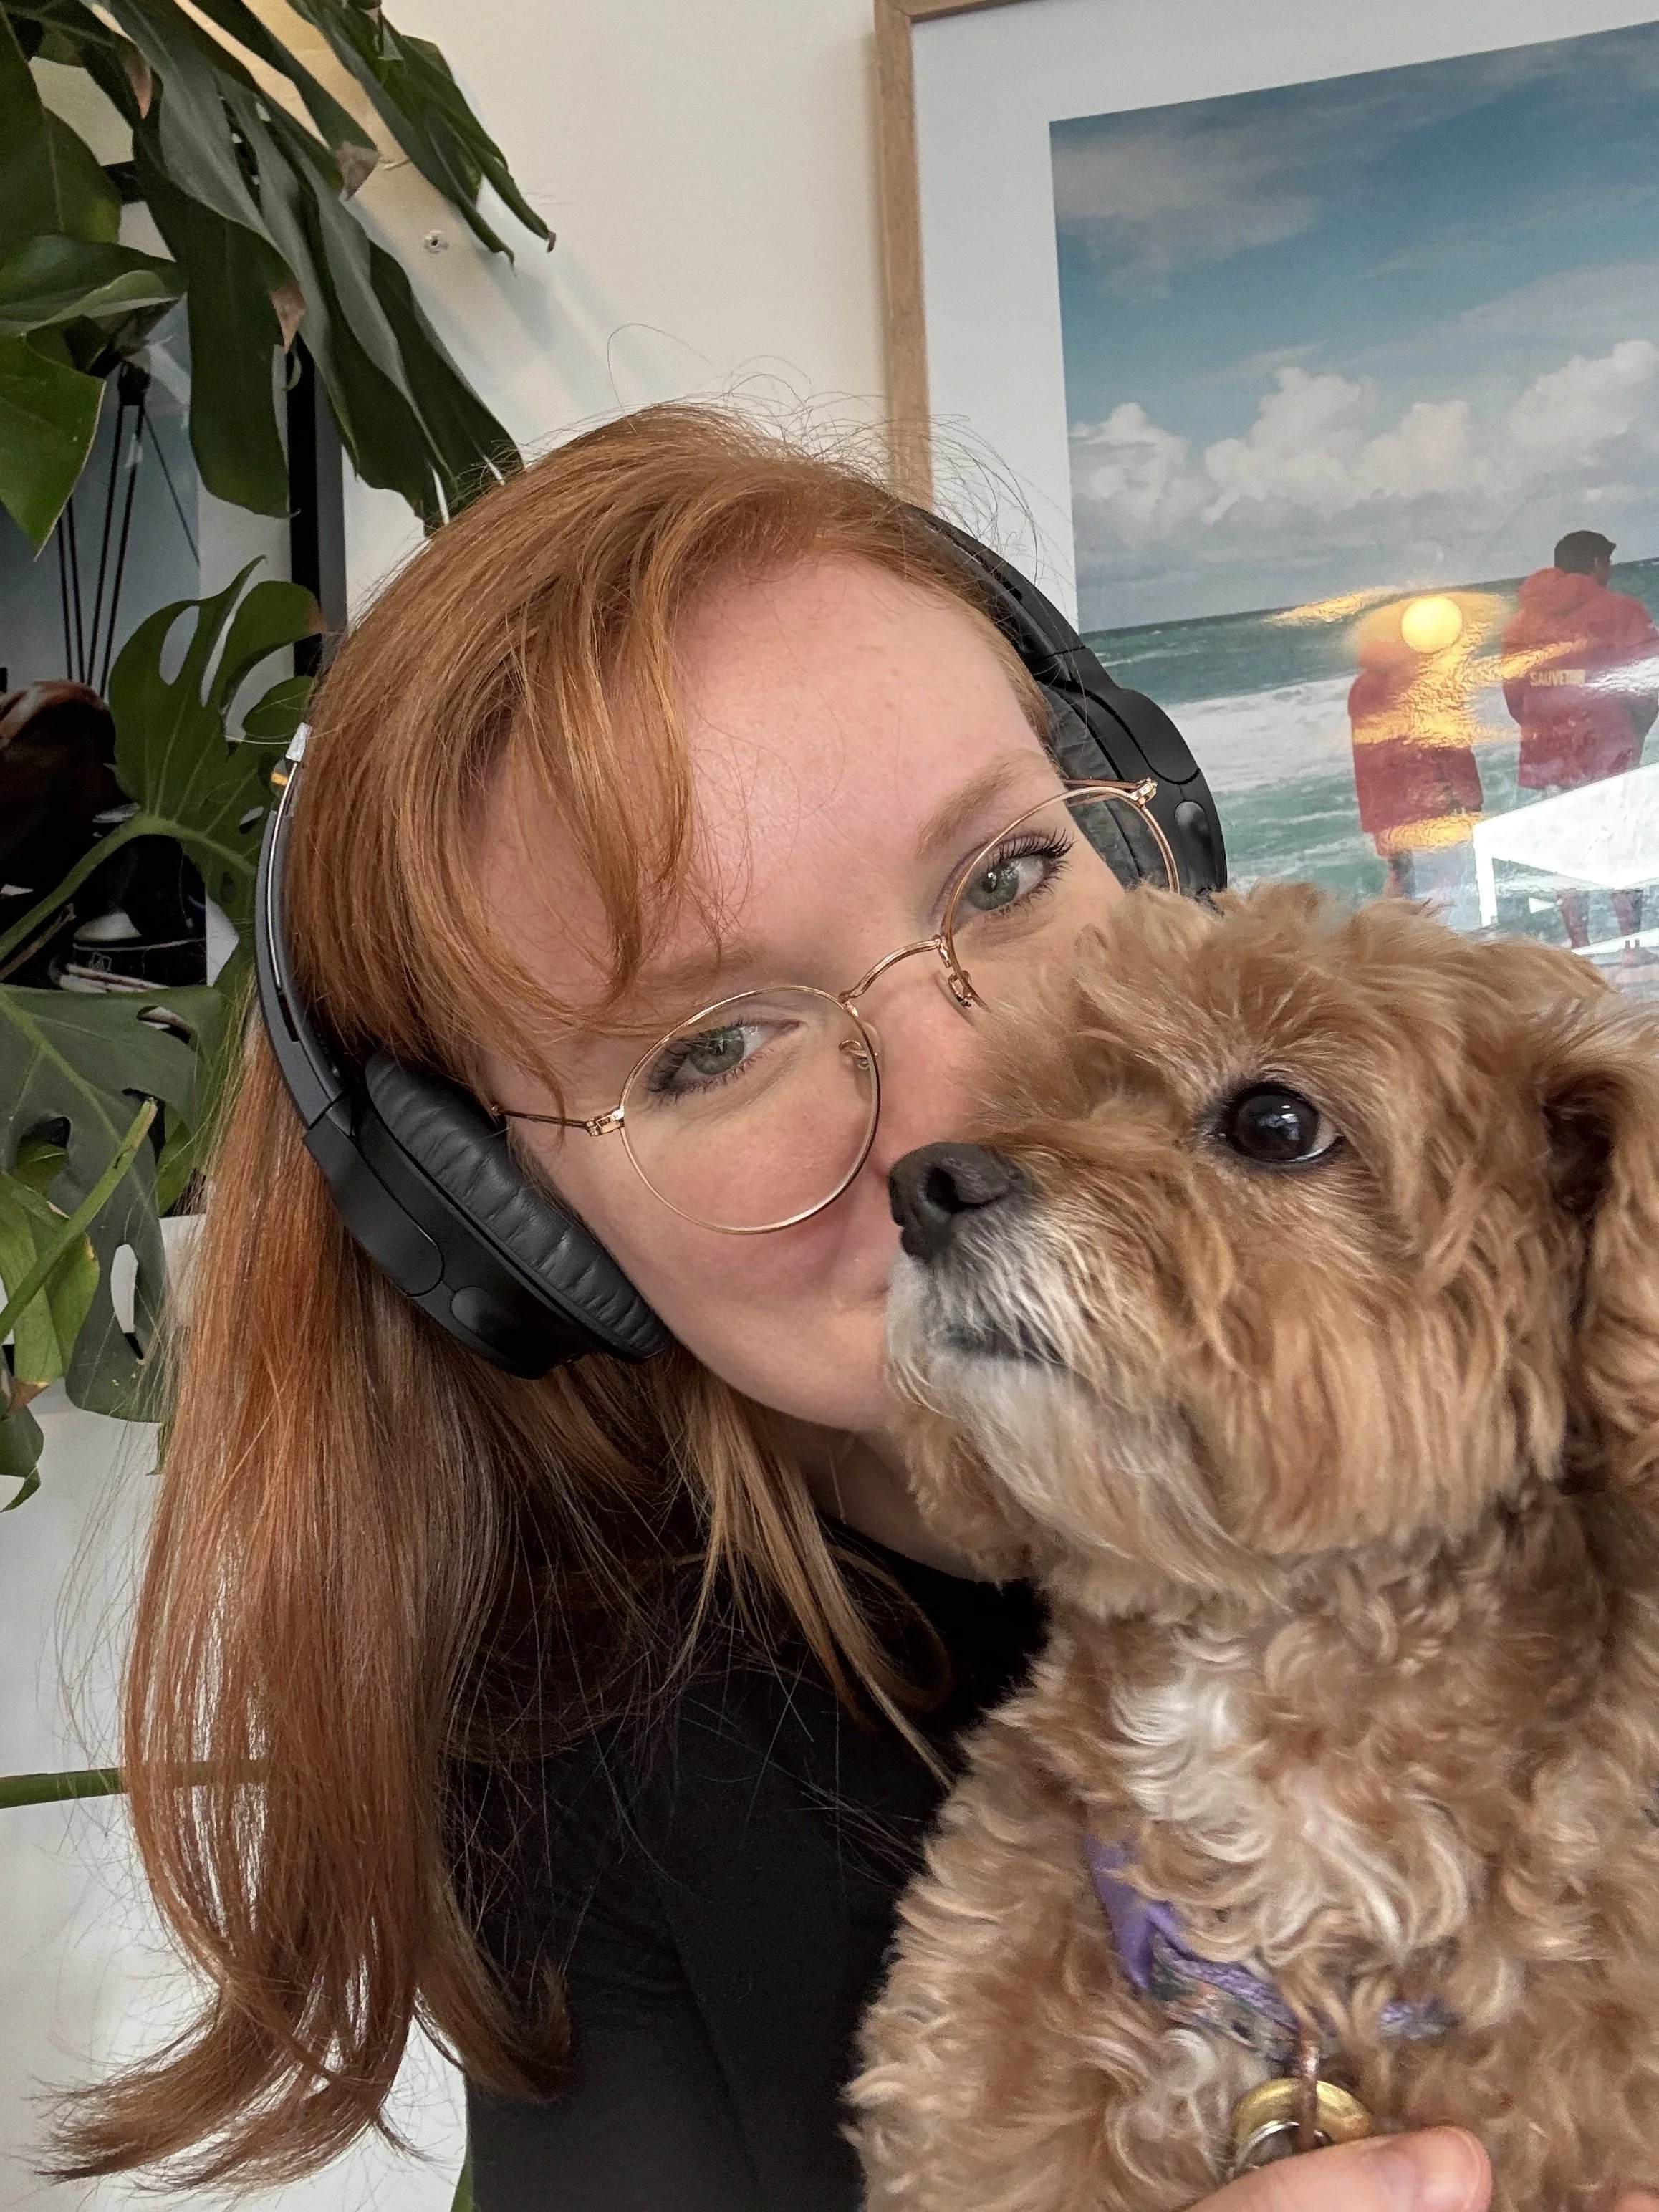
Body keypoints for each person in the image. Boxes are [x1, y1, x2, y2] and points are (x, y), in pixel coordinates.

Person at [50, 410, 1658, 2212]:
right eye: (712, 1048)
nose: (965, 1114)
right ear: (513, 1235)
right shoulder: (602, 1756)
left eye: (1008, 873)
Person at [1501, 530, 1659, 960]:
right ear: (1594, 564)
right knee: (1621, 845)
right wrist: (1632, 731)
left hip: (1550, 751)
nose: (1609, 573)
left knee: (1567, 850)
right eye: (1607, 564)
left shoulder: (1521, 624)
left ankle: (1579, 948)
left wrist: (1544, 728)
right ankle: (1631, 946)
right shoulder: (1622, 610)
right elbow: (1648, 682)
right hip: (1607, 746)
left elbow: (1516, 696)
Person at [1347, 596, 1485, 927]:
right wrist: (1470, 802)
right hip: (1431, 806)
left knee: (1401, 876)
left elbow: (1370, 754)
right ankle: (1429, 947)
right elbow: (1449, 750)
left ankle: (1387, 946)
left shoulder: (1363, 686)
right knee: (1444, 878)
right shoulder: (1428, 682)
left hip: (1385, 808)